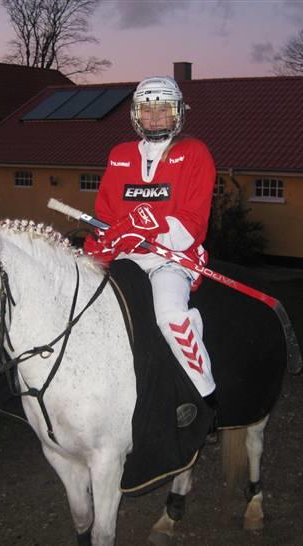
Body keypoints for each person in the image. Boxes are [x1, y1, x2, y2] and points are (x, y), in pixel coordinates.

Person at [84, 76, 217, 408]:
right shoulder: (120, 154)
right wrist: (105, 238)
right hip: (126, 257)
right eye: (147, 110)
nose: (155, 118)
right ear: (135, 115)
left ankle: (206, 395)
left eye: (163, 110)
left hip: (170, 259)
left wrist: (142, 228)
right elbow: (106, 213)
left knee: (170, 315)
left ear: (178, 114)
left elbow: (191, 226)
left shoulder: (195, 153)